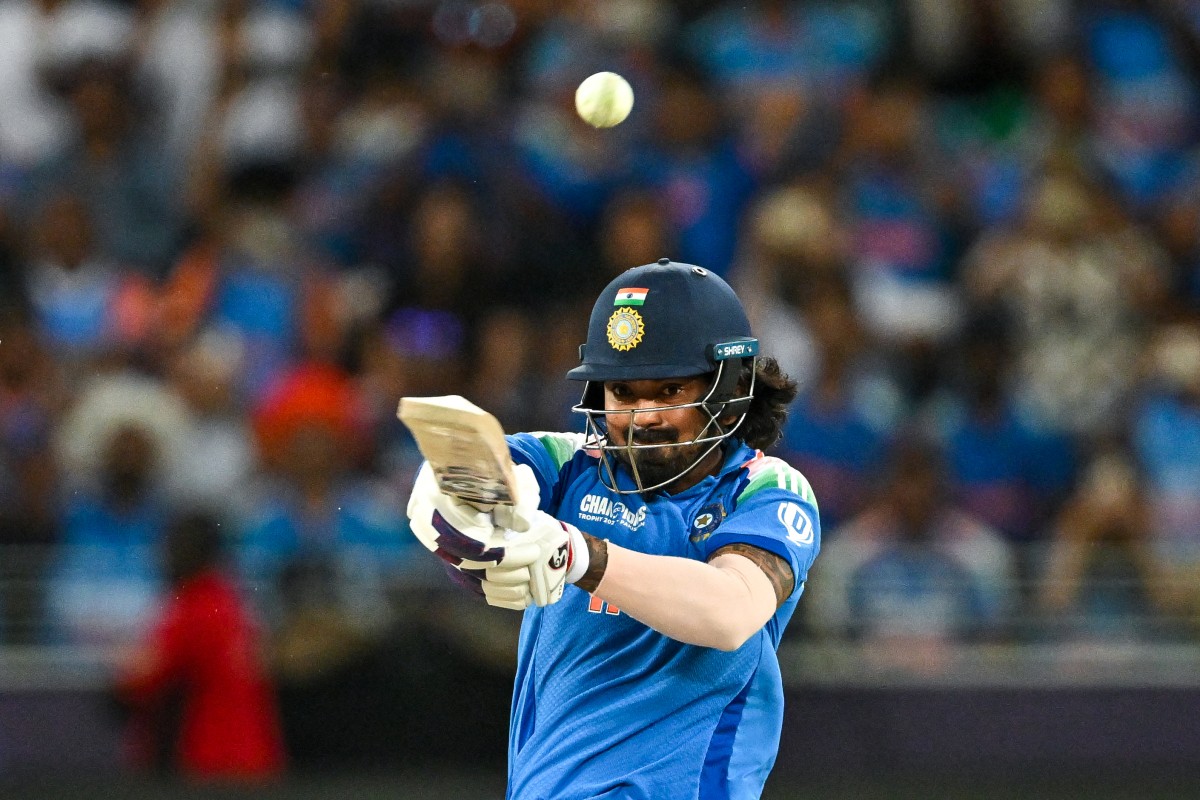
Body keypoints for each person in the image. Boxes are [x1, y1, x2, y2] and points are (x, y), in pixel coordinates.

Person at [406, 259, 821, 800]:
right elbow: (472, 472)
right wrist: (451, 503)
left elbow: (730, 611)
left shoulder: (766, 489)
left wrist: (573, 554)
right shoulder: (570, 464)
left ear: (731, 387)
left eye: (670, 391)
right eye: (624, 394)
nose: (643, 416)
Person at [112, 509, 286, 781]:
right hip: (256, 759)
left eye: (170, 548)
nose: (163, 558)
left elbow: (137, 682)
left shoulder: (193, 606)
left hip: (213, 764)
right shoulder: (231, 601)